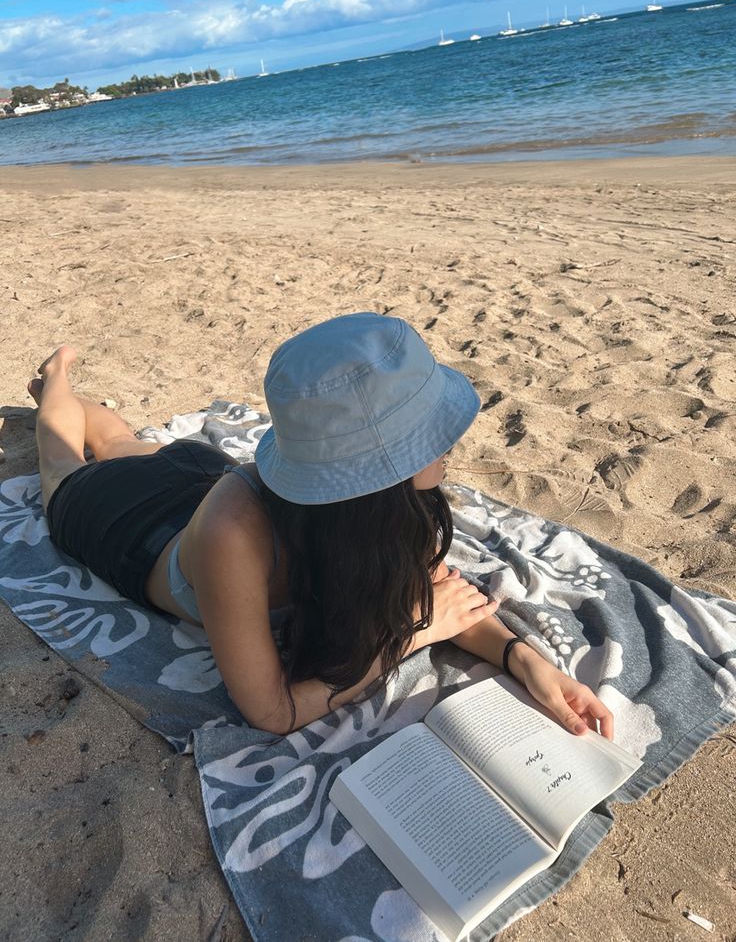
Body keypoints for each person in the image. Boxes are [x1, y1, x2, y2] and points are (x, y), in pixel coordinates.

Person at [29, 313, 613, 738]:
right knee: (62, 462)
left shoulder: (384, 504)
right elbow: (272, 712)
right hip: (132, 528)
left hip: (200, 480)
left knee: (124, 441)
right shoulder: (234, 538)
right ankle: (54, 381)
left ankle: (75, 399)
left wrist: (529, 663)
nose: (448, 444)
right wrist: (412, 635)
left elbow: (437, 596)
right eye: (426, 435)